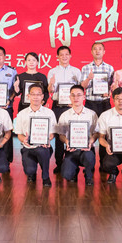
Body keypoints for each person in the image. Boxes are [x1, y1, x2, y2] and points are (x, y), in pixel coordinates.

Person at [47, 46, 82, 174]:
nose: (64, 57)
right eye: (61, 55)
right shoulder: (52, 71)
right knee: (59, 136)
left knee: (72, 134)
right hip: (58, 106)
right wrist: (51, 83)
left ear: (70, 56)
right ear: (57, 57)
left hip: (72, 107)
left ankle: (71, 162)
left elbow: (81, 88)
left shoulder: (76, 71)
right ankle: (59, 163)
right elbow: (50, 90)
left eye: (66, 54)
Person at [14, 84, 57, 187]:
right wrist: (24, 140)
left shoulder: (49, 113)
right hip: (28, 147)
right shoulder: (21, 114)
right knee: (29, 170)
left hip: (43, 146)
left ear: (42, 96)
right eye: (33, 94)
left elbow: (52, 133)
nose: (35, 97)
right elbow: (19, 134)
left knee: (42, 151)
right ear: (28, 96)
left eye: (38, 94)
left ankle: (45, 177)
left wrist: (47, 139)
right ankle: (32, 172)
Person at [81, 42, 114, 169]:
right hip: (90, 102)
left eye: (100, 49)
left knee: (104, 132)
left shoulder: (110, 68)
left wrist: (109, 92)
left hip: (105, 103)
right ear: (91, 51)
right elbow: (82, 86)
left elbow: (112, 87)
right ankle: (90, 163)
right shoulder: (86, 68)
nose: (97, 51)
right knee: (91, 131)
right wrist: (89, 78)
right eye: (95, 49)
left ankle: (104, 163)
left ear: (104, 51)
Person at [57, 85, 98, 186]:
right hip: (71, 149)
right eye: (73, 95)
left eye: (79, 95)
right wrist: (66, 141)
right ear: (69, 97)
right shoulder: (64, 115)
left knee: (88, 157)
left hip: (87, 149)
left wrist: (91, 141)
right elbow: (61, 135)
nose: (76, 98)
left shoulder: (92, 114)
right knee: (66, 175)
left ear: (84, 97)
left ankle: (88, 175)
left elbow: (96, 133)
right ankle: (74, 171)